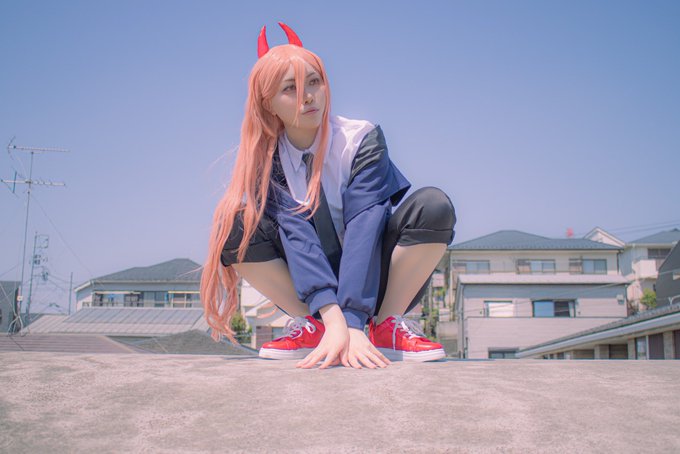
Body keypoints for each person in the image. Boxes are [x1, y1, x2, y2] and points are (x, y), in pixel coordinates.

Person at [200, 22, 456, 370]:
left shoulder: (360, 138)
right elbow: (297, 237)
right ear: (268, 103)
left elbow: (365, 225)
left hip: (377, 277)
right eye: (290, 88)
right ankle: (316, 327)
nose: (308, 96)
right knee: (233, 225)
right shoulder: (267, 161)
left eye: (314, 82)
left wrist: (353, 323)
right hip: (310, 290)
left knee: (433, 206)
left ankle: (384, 326)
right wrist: (333, 320)